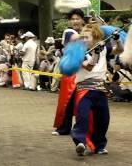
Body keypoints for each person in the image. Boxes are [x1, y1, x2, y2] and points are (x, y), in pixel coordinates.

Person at [72, 22, 123, 156]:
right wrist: (95, 53)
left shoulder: (104, 48)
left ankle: (99, 145)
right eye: (82, 37)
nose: (84, 40)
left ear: (95, 37)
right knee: (82, 117)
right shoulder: (78, 53)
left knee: (103, 119)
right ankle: (80, 143)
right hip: (84, 90)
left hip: (100, 90)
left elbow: (120, 50)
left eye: (87, 37)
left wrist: (117, 40)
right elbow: (89, 67)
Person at [52, 9, 85, 135]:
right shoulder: (68, 32)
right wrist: (92, 32)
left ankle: (83, 127)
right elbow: (76, 38)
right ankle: (64, 128)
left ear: (82, 19)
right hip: (71, 72)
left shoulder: (88, 31)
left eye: (77, 18)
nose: (75, 21)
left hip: (86, 71)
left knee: (83, 101)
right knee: (67, 100)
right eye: (73, 19)